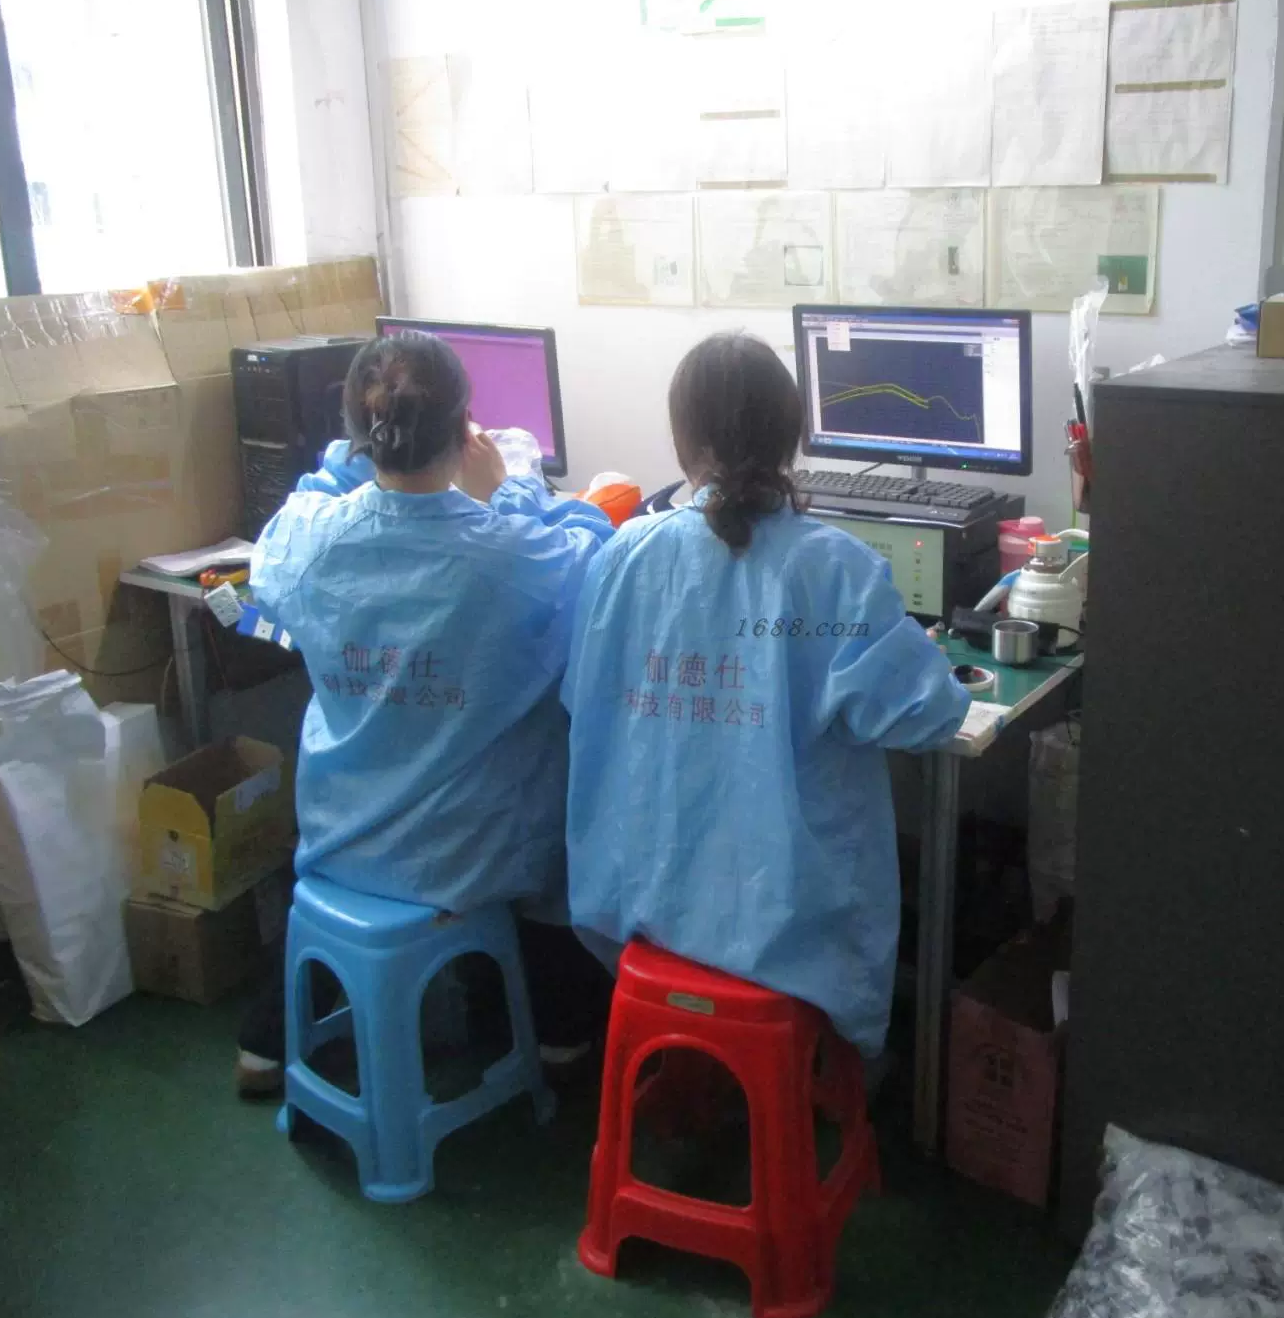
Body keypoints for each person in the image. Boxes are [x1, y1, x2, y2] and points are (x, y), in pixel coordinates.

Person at [562, 332, 971, 1058]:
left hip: (636, 913)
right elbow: (928, 715)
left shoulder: (623, 554)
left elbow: (581, 700)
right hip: (787, 938)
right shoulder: (834, 568)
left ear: (682, 440)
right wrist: (922, 656)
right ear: (791, 438)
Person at [235, 330, 614, 1093]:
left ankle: (264, 1044)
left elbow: (294, 520)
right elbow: (593, 545)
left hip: (339, 835)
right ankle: (558, 1030)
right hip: (471, 852)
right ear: (466, 428)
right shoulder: (513, 555)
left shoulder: (306, 538)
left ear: (357, 427)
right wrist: (511, 488)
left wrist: (346, 465)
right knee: (562, 772)